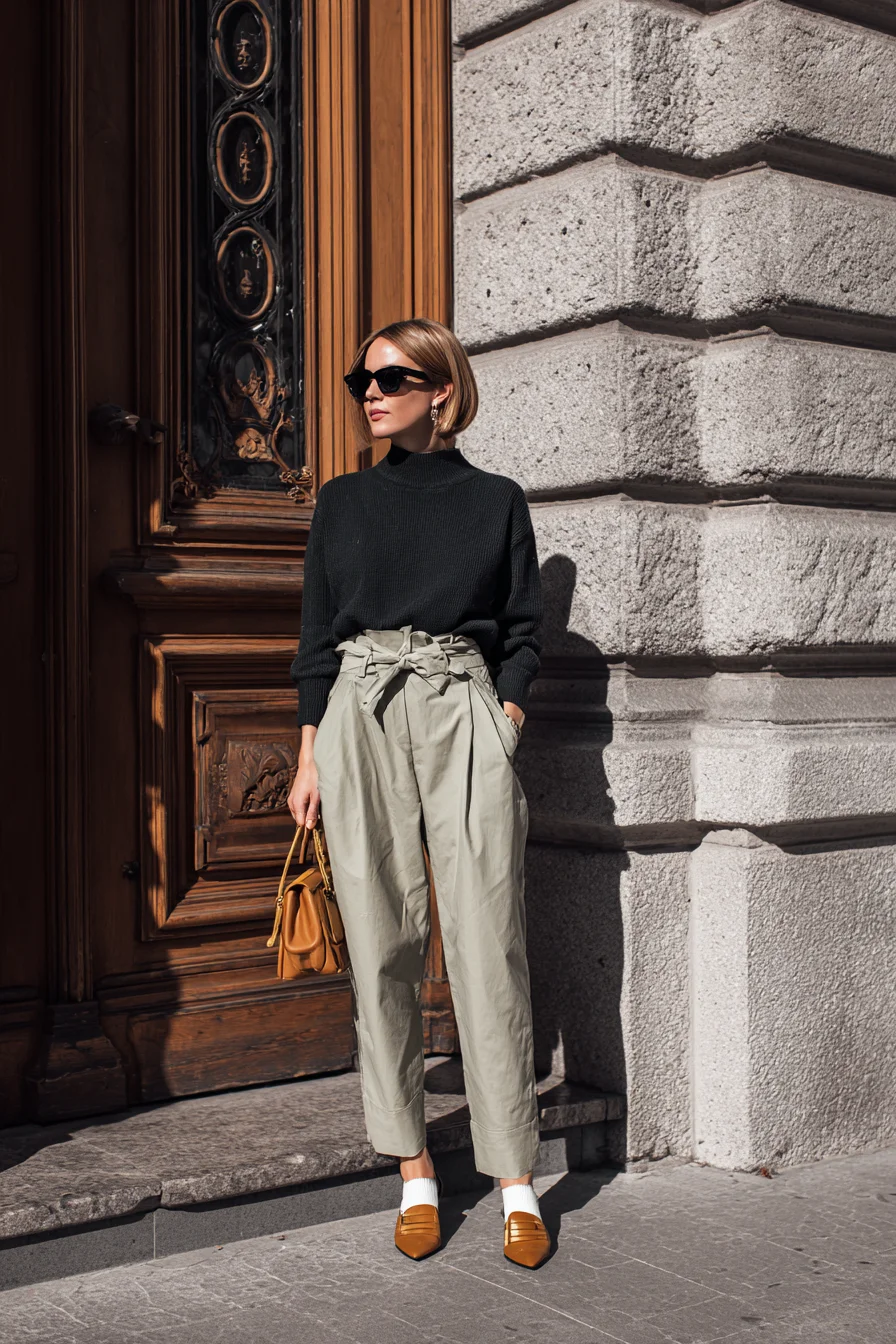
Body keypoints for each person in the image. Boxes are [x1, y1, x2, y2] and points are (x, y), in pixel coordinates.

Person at [287, 317, 549, 1269]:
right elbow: (317, 639)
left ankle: (516, 1178)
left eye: (393, 376)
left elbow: (523, 629)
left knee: (488, 942)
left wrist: (505, 721)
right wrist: (311, 755)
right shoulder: (342, 502)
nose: (370, 390)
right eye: (363, 375)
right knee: (384, 942)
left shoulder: (497, 502)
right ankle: (415, 1170)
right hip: (361, 711)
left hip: (463, 709)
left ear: (442, 390)